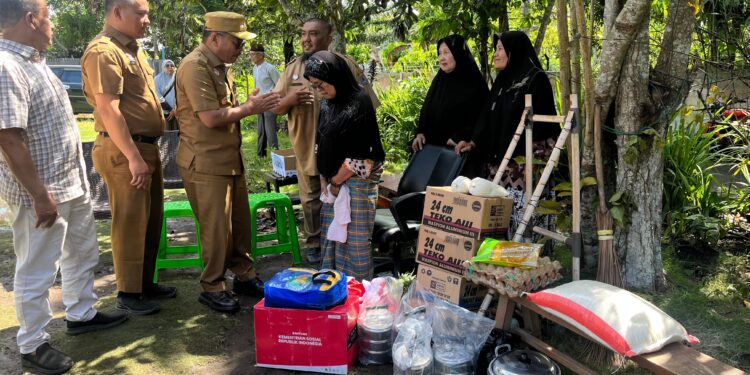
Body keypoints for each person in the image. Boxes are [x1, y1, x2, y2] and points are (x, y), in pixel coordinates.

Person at [0, 0, 128, 373]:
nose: (52, 24)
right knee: (37, 269)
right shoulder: (6, 67)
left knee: (81, 254)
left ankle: (81, 313)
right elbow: (9, 140)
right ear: (31, 20)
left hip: (69, 183)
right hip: (41, 192)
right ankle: (32, 343)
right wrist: (39, 196)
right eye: (49, 16)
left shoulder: (34, 62)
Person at [175, 11, 279, 313]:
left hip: (228, 159)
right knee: (216, 229)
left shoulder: (222, 66)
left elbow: (227, 109)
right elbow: (210, 118)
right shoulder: (195, 66)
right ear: (215, 38)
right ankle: (212, 286)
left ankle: (244, 276)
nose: (241, 49)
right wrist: (250, 107)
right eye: (237, 42)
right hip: (205, 162)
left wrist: (247, 104)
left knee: (239, 225)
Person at [81, 0, 176, 316]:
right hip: (125, 150)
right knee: (131, 222)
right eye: (140, 13)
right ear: (117, 12)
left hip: (144, 147)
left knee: (150, 219)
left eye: (147, 13)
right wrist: (134, 157)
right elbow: (109, 109)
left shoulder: (134, 50)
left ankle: (144, 283)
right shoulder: (103, 52)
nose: (146, 20)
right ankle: (128, 292)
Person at [273, 18, 377, 265]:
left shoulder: (345, 66)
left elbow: (368, 104)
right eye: (303, 34)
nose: (306, 39)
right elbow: (275, 107)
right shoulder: (292, 70)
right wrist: (290, 99)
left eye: (313, 34)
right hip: (308, 146)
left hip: (346, 153)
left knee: (344, 197)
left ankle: (344, 247)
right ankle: (315, 243)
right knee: (311, 198)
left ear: (329, 38)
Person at [456, 30, 559, 236]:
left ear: (515, 51)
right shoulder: (502, 82)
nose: (495, 54)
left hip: (525, 168)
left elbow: (545, 130)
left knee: (524, 228)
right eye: (496, 49)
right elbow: (487, 115)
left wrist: (532, 162)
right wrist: (474, 142)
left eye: (500, 49)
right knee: (499, 224)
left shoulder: (535, 81)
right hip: (499, 167)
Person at [304, 51, 385, 280]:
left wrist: (336, 182)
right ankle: (334, 291)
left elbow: (363, 157)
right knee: (333, 241)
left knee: (353, 245)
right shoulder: (329, 103)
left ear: (335, 76)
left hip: (354, 184)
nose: (318, 91)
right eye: (314, 86)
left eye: (320, 84)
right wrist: (325, 181)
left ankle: (358, 296)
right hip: (333, 184)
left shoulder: (360, 102)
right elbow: (321, 142)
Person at [411, 34, 488, 152]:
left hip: (459, 153)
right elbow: (426, 111)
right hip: (431, 150)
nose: (441, 58)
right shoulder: (439, 81)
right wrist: (420, 133)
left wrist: (462, 136)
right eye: (440, 53)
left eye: (446, 52)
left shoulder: (474, 84)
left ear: (458, 54)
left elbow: (482, 118)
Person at [249, 44, 280, 157]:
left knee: (270, 131)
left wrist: (272, 97)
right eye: (251, 54)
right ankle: (261, 155)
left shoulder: (270, 68)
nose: (251, 57)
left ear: (261, 55)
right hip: (259, 102)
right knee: (260, 131)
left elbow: (280, 84)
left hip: (269, 103)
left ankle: (276, 156)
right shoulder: (254, 68)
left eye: (253, 54)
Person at [154, 59, 177, 130]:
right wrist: (170, 110)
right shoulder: (157, 79)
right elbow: (157, 95)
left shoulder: (178, 77)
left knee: (179, 133)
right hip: (164, 111)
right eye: (167, 66)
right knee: (166, 133)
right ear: (163, 67)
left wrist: (175, 109)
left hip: (178, 111)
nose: (170, 67)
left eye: (172, 65)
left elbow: (181, 94)